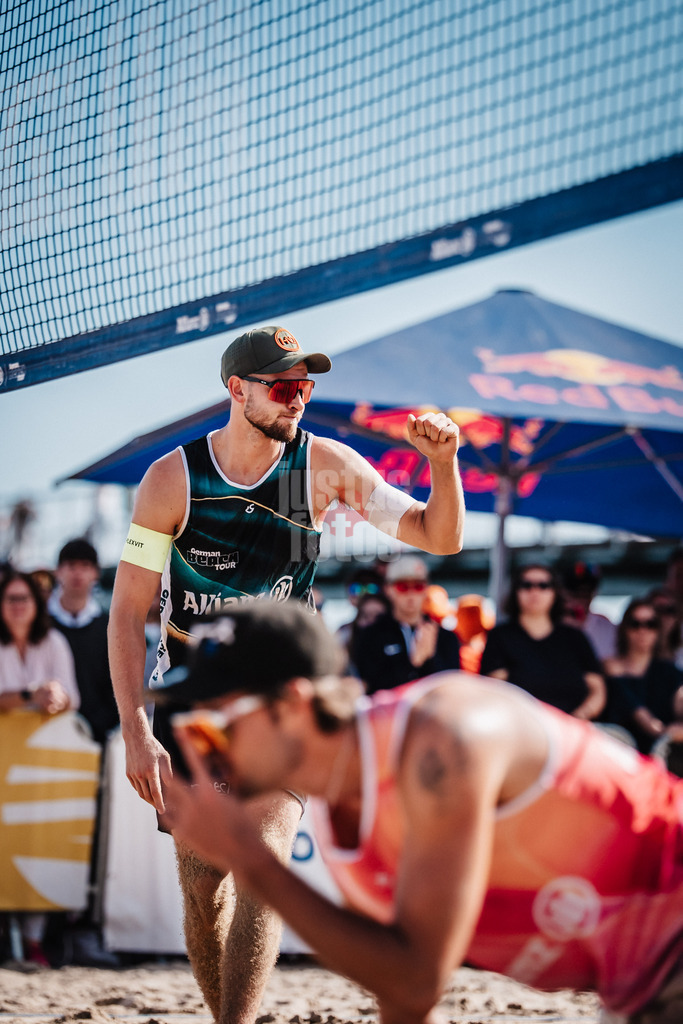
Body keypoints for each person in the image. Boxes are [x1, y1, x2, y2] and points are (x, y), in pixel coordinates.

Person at [108, 325, 465, 1024]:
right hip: (193, 702)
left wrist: (443, 464)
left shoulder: (323, 465)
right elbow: (127, 615)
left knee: (262, 864)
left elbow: (438, 536)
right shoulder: (170, 480)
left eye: (305, 385)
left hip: (282, 698)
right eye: (283, 386)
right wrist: (135, 729)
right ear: (236, 389)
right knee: (203, 882)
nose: (297, 398)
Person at [158, 602, 683, 1024]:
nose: (199, 747)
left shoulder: (442, 735)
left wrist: (249, 860)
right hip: (641, 981)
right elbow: (404, 998)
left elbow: (417, 979)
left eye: (213, 724)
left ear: (292, 705)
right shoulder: (343, 817)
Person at [0, 570, 80, 967]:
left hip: (39, 765)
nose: (16, 606)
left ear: (36, 604)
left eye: (23, 598)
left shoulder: (54, 643)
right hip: (5, 762)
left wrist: (54, 697)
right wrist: (32, 694)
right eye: (10, 598)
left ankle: (32, 942)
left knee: (36, 843)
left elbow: (72, 698)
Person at [48, 538, 120, 967]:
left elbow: (116, 690)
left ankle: (82, 931)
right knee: (44, 837)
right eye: (69, 564)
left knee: (91, 841)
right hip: (42, 752)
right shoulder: (38, 623)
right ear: (59, 571)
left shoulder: (110, 624)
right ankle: (47, 933)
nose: (77, 573)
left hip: (96, 749)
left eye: (84, 565)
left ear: (95, 573)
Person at [480, 563, 606, 720]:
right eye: (526, 585)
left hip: (574, 729)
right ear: (515, 591)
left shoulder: (575, 637)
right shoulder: (500, 636)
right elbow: (496, 690)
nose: (535, 591)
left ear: (555, 592)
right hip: (521, 729)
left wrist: (576, 720)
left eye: (543, 585)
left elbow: (597, 690)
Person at [353, 556, 461, 694]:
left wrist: (429, 660)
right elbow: (371, 686)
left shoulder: (445, 637)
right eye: (403, 587)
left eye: (418, 586)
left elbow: (451, 687)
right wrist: (413, 663)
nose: (411, 594)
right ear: (388, 589)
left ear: (426, 589)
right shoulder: (371, 635)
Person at [602, 598, 683, 755]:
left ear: (658, 630)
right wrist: (656, 727)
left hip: (659, 760)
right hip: (615, 753)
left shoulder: (670, 673)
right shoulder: (608, 667)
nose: (642, 630)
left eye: (650, 624)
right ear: (624, 628)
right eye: (635, 623)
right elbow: (640, 716)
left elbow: (680, 698)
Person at [561, 561, 617, 663]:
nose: (582, 597)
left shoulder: (608, 628)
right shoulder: (549, 626)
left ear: (594, 592)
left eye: (587, 591)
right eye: (576, 591)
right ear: (563, 591)